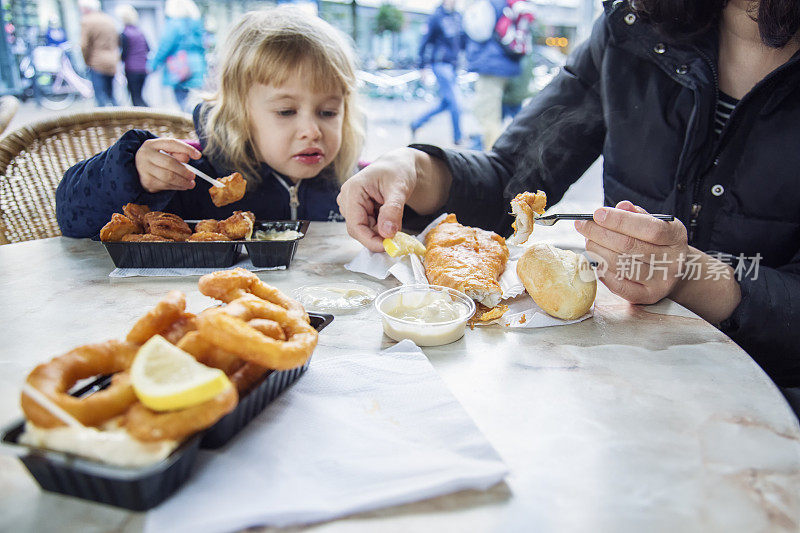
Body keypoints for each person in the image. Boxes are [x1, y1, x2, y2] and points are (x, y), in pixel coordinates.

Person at [337, 0, 800, 410]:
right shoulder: (634, 26)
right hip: (622, 387)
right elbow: (514, 180)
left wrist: (694, 278)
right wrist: (417, 172)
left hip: (771, 412)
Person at [56, 7, 364, 237]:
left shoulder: (353, 182)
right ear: (239, 114)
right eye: (286, 111)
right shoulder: (190, 176)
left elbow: (408, 214)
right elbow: (72, 219)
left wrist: (410, 171)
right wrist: (130, 175)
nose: (312, 131)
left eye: (328, 112)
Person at [464, 0, 522, 149]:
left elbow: (479, 32)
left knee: (488, 118)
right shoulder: (509, 5)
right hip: (509, 64)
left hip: (491, 66)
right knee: (502, 115)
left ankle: (493, 162)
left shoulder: (490, 4)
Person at [410, 0, 464, 145]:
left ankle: (416, 123)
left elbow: (462, 41)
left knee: (446, 103)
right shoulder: (436, 16)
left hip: (453, 65)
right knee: (456, 102)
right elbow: (424, 41)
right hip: (440, 64)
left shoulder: (458, 16)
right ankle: (458, 139)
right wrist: (422, 66)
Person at [149, 0, 206, 112]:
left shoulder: (174, 24)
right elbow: (203, 46)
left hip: (180, 69)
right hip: (198, 68)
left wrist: (153, 65)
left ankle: (188, 127)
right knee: (198, 103)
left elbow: (165, 47)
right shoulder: (197, 23)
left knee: (184, 105)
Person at [78, 0, 119, 107]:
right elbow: (116, 40)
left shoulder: (87, 21)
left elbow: (84, 45)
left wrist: (86, 61)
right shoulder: (108, 19)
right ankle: (120, 119)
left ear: (86, 8)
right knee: (112, 96)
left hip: (97, 62)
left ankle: (104, 122)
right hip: (111, 61)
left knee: (100, 98)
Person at [116, 4, 149, 107]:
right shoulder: (140, 32)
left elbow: (124, 54)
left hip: (132, 70)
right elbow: (148, 48)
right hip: (143, 69)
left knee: (135, 98)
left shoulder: (125, 34)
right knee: (139, 96)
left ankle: (147, 119)